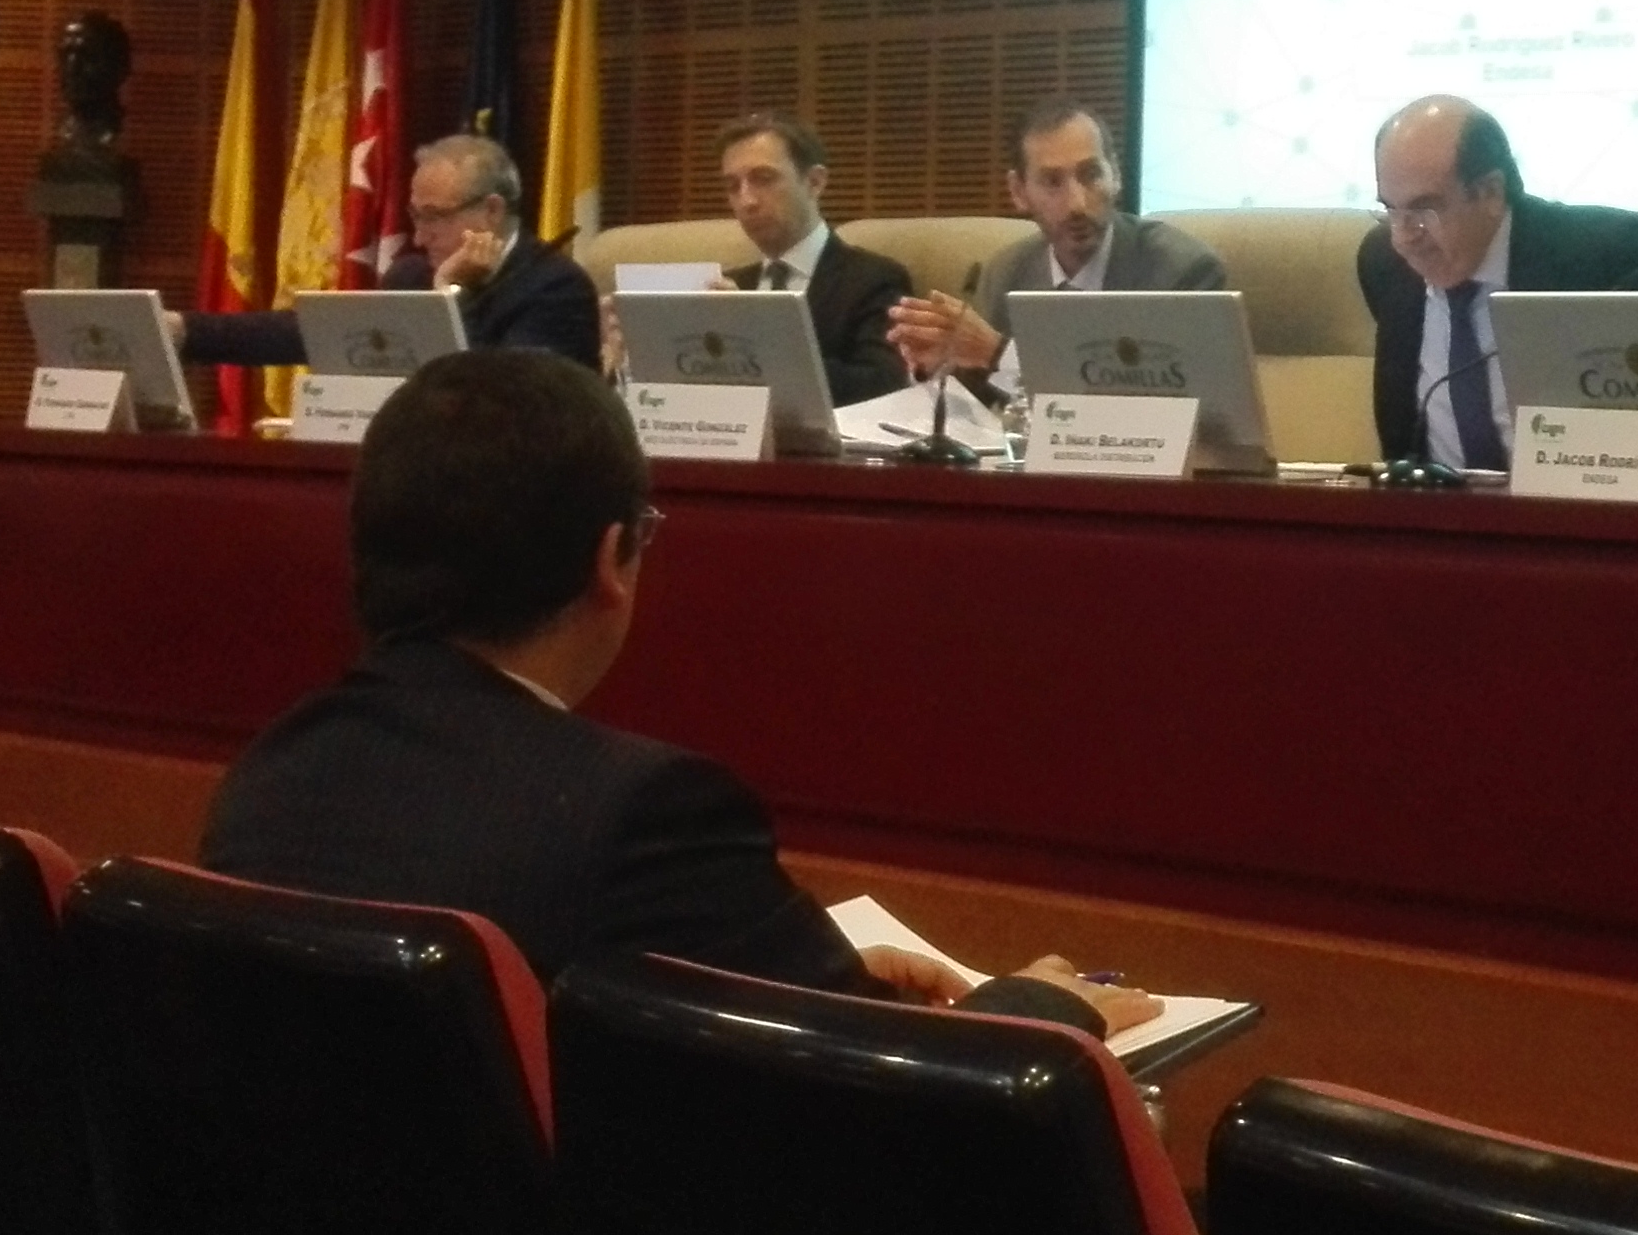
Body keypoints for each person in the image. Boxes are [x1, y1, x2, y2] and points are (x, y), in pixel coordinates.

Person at [200, 349, 1154, 1036]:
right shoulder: (641, 814)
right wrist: (1037, 1010)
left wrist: (811, 974)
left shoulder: (271, 773)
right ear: (611, 559)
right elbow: (877, 1094)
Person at [1355, 96, 1638, 474]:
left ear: (1490, 192)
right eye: (1390, 210)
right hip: (1434, 506)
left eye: (1424, 210)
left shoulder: (1611, 256)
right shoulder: (1384, 265)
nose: (1403, 238)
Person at [887, 100, 1228, 396]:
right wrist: (934, 368)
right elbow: (979, 401)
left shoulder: (1181, 271)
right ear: (1019, 191)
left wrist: (1000, 354)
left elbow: (1158, 409)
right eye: (1052, 182)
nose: (1077, 203)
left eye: (1091, 175)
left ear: (1116, 175)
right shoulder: (1006, 273)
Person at [179, 133, 600, 372]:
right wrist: (186, 331)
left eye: (434, 217)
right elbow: (316, 331)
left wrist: (451, 295)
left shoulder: (556, 289)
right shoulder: (411, 276)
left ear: (491, 211)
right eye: (415, 216)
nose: (419, 237)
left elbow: (498, 403)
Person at [710, 113, 908, 407]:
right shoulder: (728, 287)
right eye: (732, 186)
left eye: (763, 179)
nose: (746, 201)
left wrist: (755, 338)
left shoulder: (874, 279)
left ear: (814, 182)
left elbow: (882, 386)